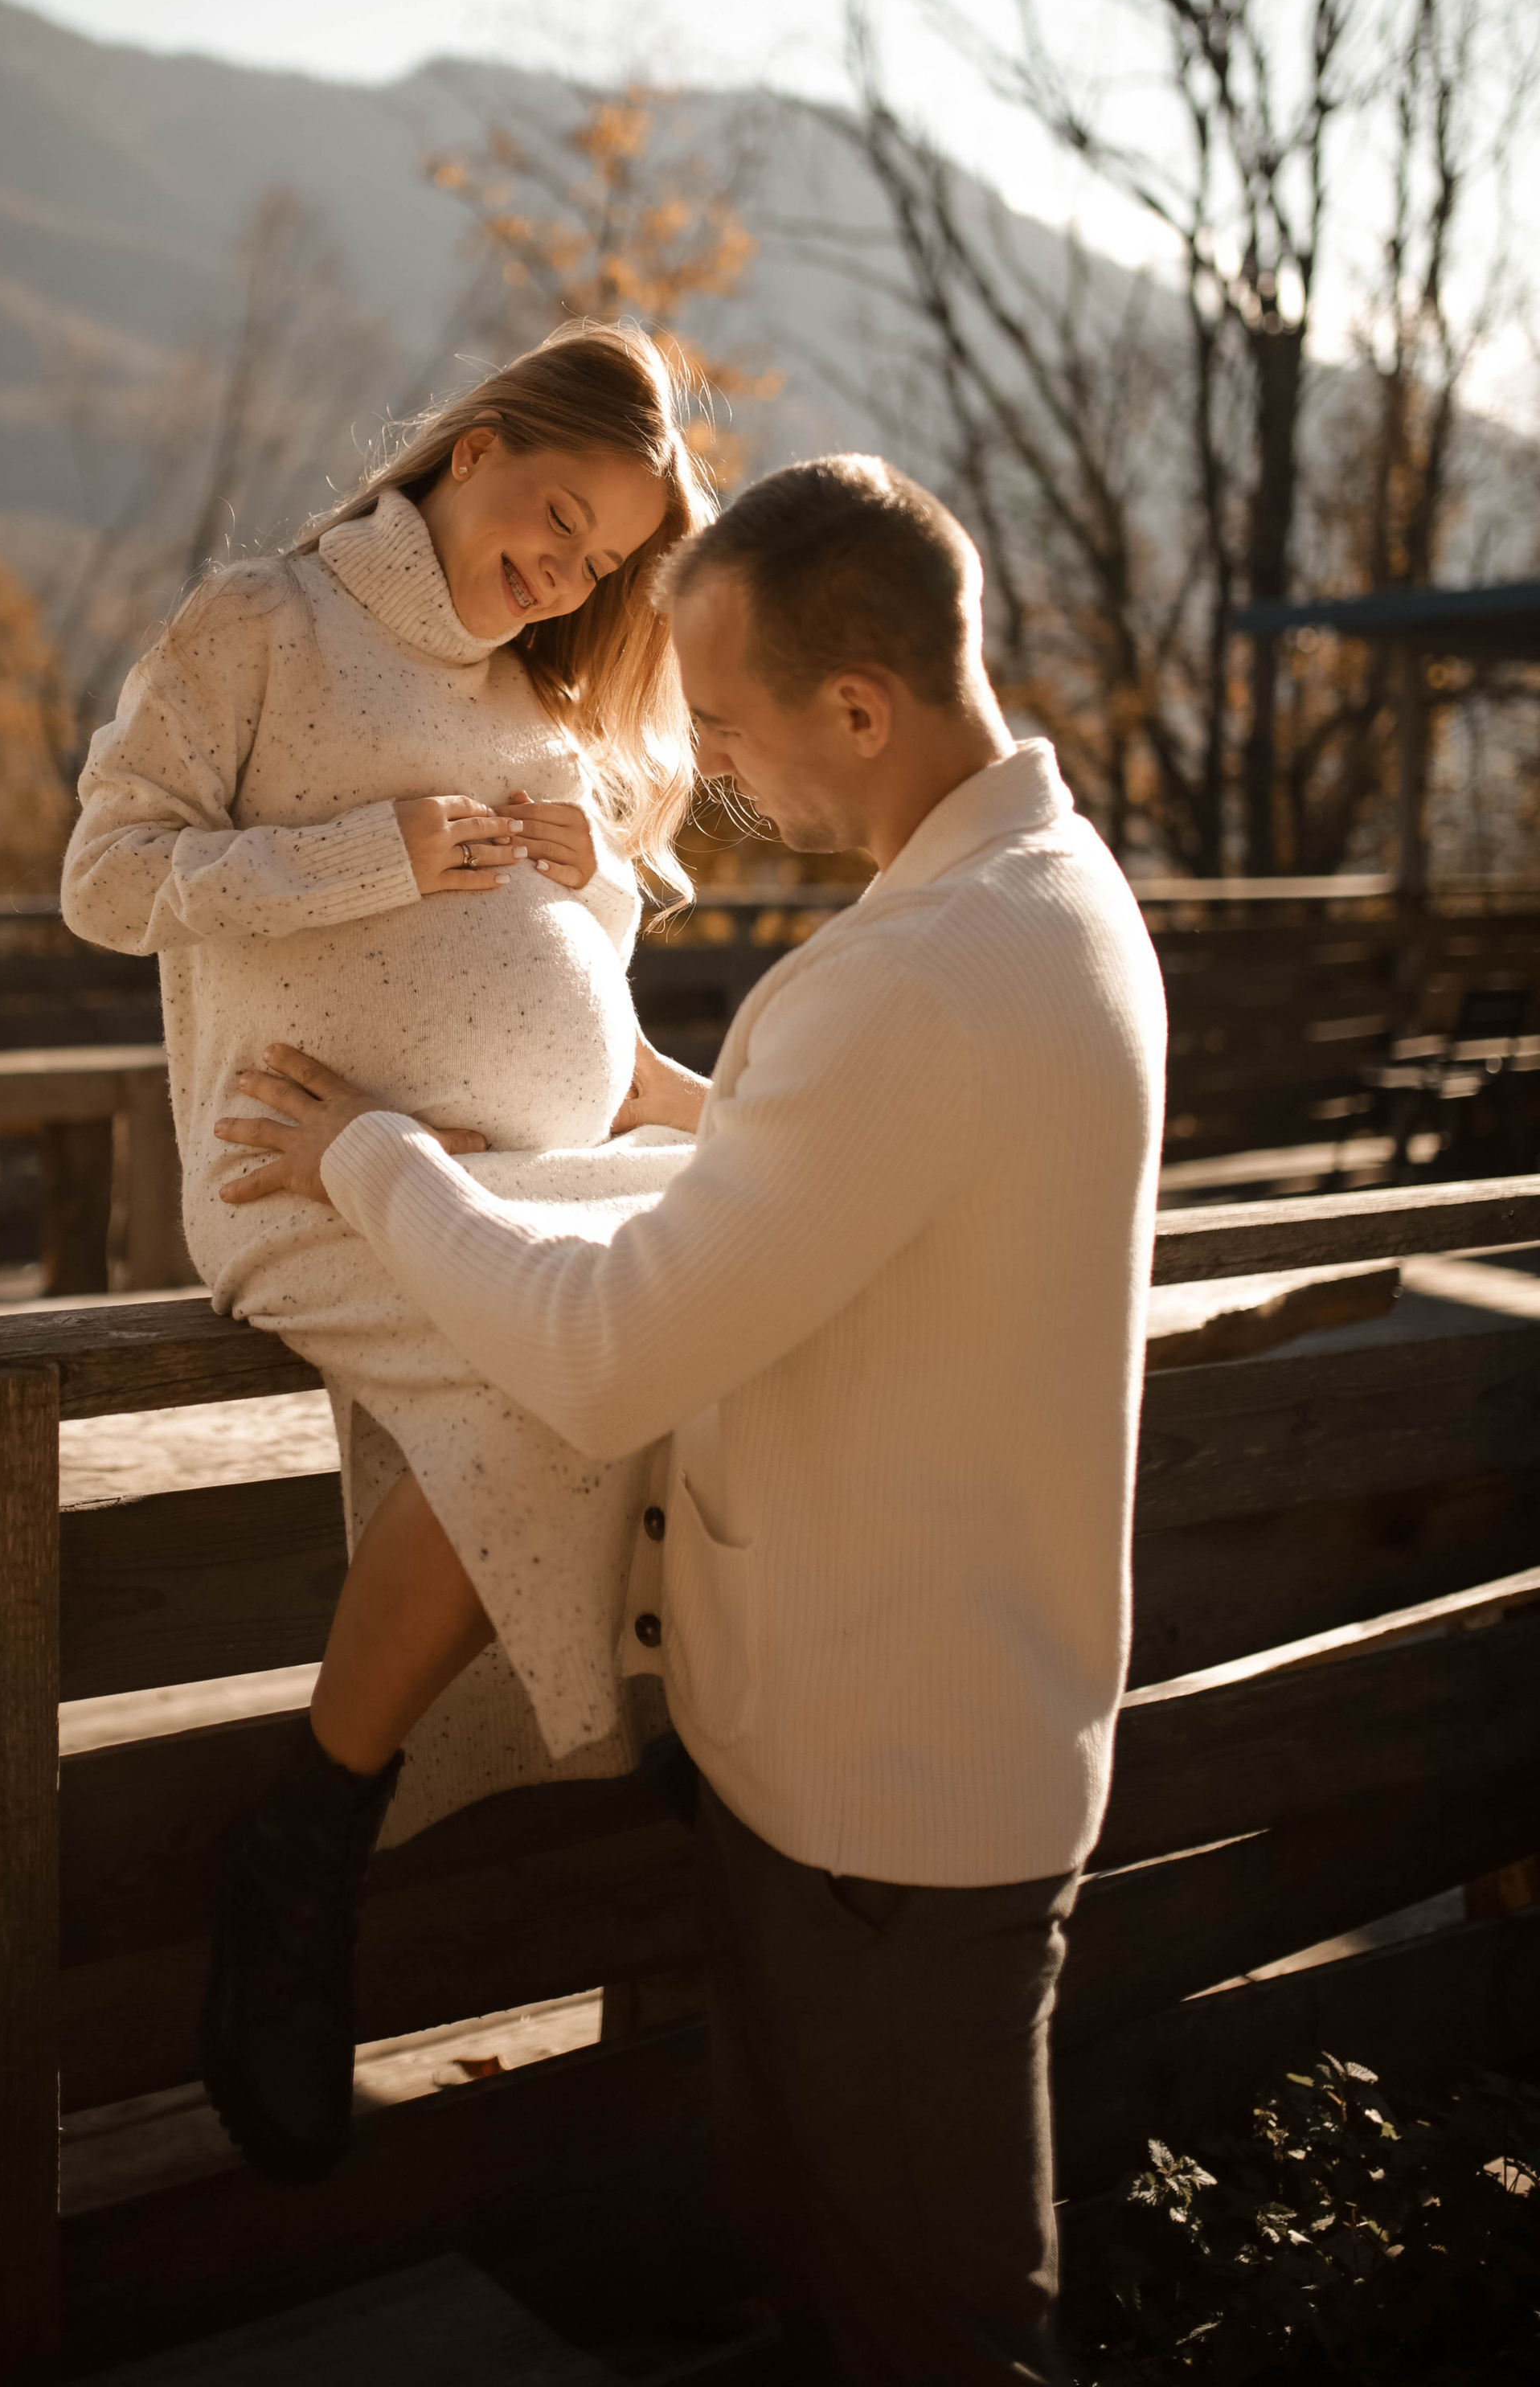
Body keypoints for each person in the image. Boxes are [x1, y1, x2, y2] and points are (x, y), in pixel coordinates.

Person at [214, 452, 1168, 2386]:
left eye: (727, 726)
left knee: (935, 2339)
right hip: (916, 1764)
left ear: (858, 710)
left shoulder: (906, 977)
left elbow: (600, 1355)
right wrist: (669, 1102)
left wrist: (373, 1154)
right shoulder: (1053, 899)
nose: (716, 774)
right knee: (854, 2308)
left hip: (879, 1823)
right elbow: (885, 1190)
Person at [59, 321, 716, 2184]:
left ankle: (728, 1846)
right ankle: (309, 1836)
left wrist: (728, 1111)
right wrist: (374, 853)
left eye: (595, 566)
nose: (560, 575)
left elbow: (589, 1008)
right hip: (301, 1178)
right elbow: (103, 880)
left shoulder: (540, 703)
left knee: (709, 1315)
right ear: (475, 444)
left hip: (535, 1179)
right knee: (566, 1356)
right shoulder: (255, 625)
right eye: (552, 520)